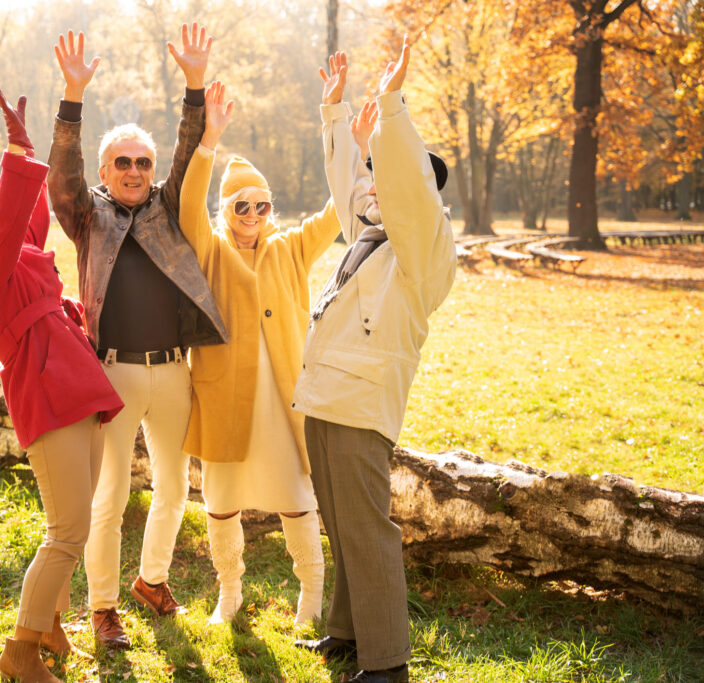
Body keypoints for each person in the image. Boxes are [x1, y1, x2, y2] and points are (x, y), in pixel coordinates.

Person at [0, 80, 123, 683]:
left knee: (79, 518)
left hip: (74, 375)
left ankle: (50, 624)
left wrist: (29, 148)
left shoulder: (15, 250)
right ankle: (20, 650)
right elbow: (15, 224)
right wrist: (15, 156)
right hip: (44, 387)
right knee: (66, 531)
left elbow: (29, 216)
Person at [46, 26, 228, 649]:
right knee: (110, 495)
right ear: (105, 170)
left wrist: (195, 85)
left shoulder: (167, 208)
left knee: (176, 487)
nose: (133, 170)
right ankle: (102, 608)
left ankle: (151, 580)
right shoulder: (87, 217)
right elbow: (60, 178)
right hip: (114, 375)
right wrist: (73, 97)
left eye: (141, 162)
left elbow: (188, 148)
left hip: (173, 372)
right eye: (121, 162)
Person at [291, 41, 455, 683]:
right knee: (341, 522)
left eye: (386, 179)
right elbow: (347, 187)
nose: (373, 187)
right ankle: (346, 631)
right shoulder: (370, 232)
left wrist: (391, 104)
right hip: (324, 393)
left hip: (362, 401)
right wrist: (335, 117)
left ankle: (388, 662)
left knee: (368, 528)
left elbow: (408, 186)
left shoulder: (423, 248)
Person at [177, 82, 341, 625]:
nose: (253, 212)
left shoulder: (289, 247)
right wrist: (209, 142)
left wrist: (345, 134)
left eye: (262, 204)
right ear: (228, 209)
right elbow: (188, 210)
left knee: (297, 496)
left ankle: (311, 596)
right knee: (221, 500)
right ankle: (230, 592)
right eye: (242, 204)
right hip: (226, 396)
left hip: (285, 400)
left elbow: (337, 210)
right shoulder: (211, 249)